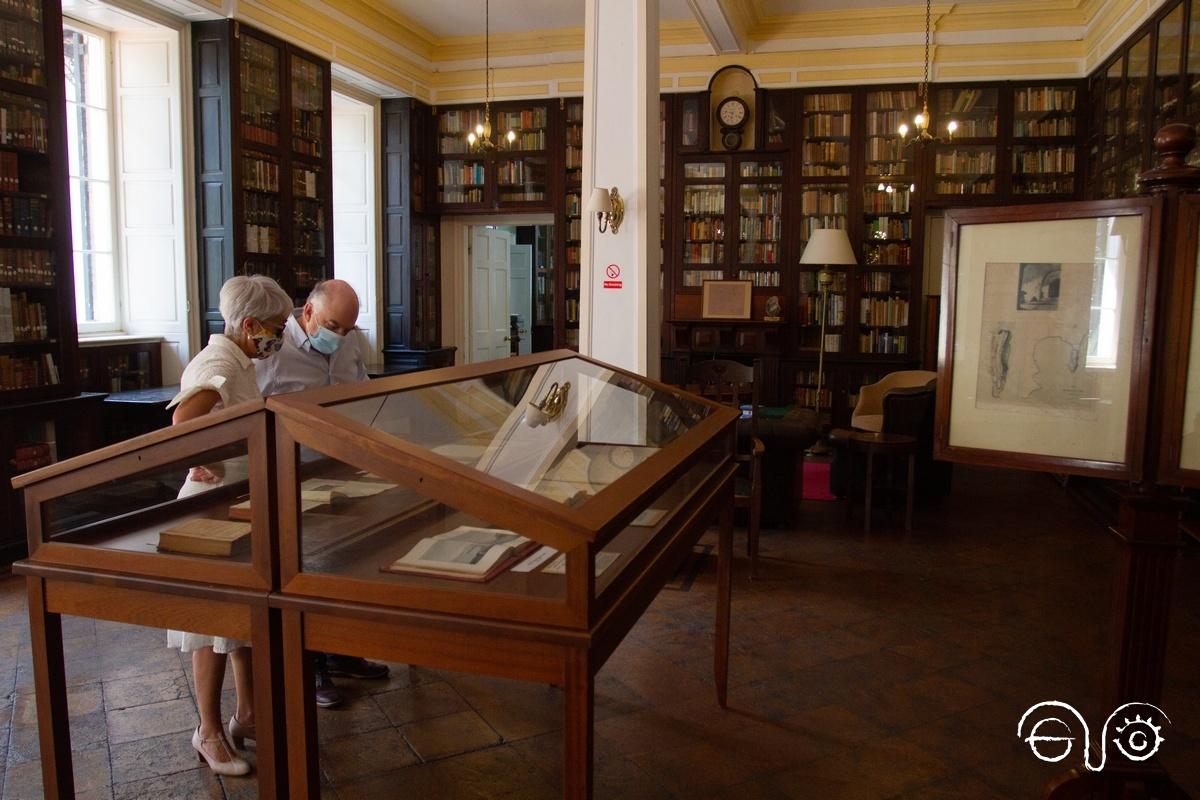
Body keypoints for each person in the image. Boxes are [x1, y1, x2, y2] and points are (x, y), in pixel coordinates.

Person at [166, 274, 293, 777]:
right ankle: (209, 732)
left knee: (240, 622)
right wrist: (203, 456)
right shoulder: (218, 361)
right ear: (249, 324)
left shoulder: (239, 358)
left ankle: (248, 714)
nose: (280, 335)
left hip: (238, 504)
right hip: (207, 512)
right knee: (210, 625)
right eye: (277, 327)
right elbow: (183, 425)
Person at [256, 278, 390, 708]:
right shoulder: (273, 348)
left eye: (348, 328)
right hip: (290, 474)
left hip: (341, 468)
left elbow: (363, 391)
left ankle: (340, 649)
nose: (340, 335)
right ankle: (310, 664)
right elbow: (247, 408)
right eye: (334, 325)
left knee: (344, 562)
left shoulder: (347, 343)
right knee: (304, 569)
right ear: (307, 312)